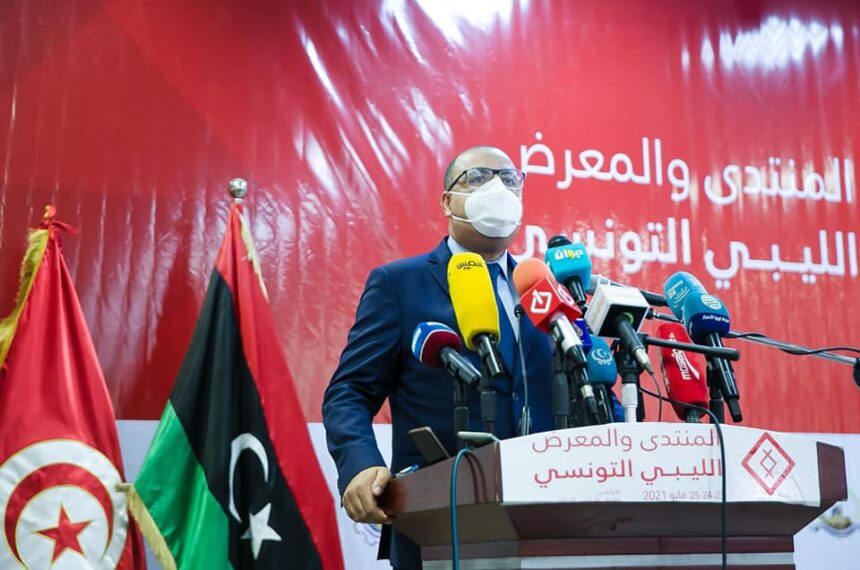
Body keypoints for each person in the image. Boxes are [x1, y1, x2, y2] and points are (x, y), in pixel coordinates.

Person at [322, 146, 555, 569]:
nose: (498, 189)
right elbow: (349, 392)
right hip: (440, 526)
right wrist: (359, 465)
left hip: (549, 525)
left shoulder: (543, 289)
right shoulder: (399, 283)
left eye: (510, 179)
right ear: (447, 201)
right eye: (479, 177)